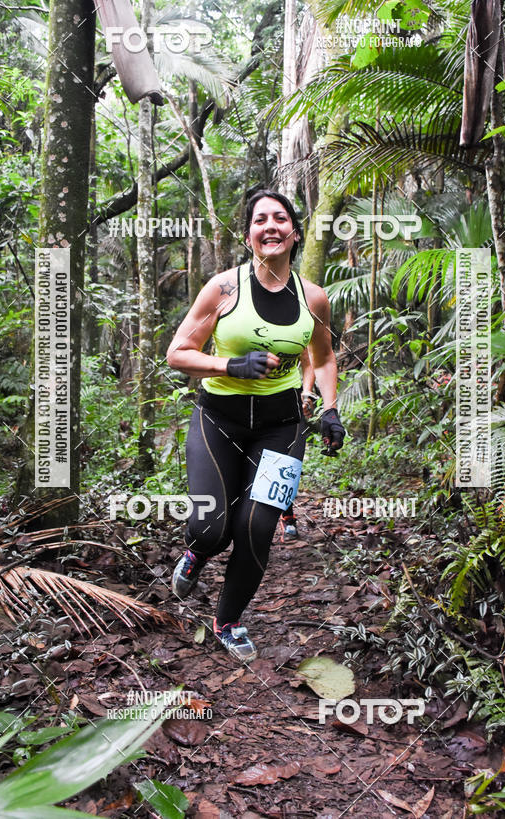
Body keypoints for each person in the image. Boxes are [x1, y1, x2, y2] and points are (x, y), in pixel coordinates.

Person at [165, 190, 345, 662]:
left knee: (256, 527)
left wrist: (329, 408)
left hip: (282, 425)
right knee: (211, 527)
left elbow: (324, 359)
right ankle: (197, 553)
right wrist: (231, 367)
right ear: (248, 236)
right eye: (260, 219)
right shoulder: (223, 288)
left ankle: (228, 620)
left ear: (294, 232)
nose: (271, 226)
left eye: (280, 218)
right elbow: (177, 353)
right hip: (218, 419)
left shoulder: (314, 298)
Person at [278, 350, 317, 543]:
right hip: (242, 402)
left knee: (287, 462)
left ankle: (287, 516)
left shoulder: (295, 323)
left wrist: (307, 393)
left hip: (287, 401)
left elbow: (308, 360)